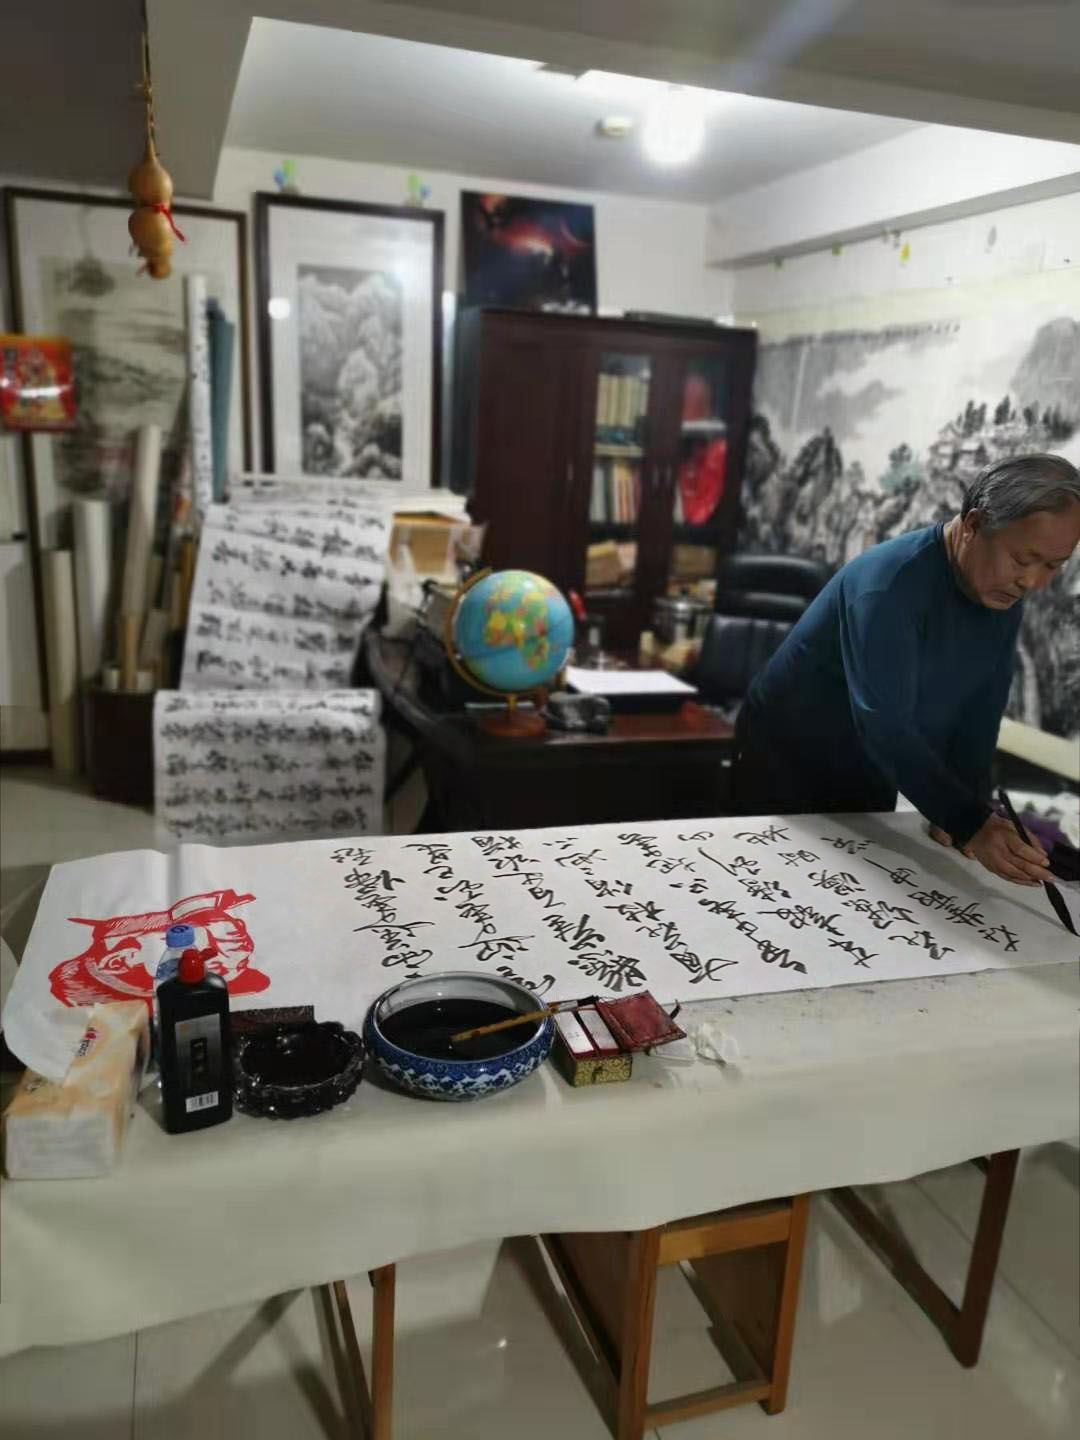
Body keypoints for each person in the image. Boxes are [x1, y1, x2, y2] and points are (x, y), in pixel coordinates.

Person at [733, 453, 1080, 887]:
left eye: (1053, 566)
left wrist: (970, 805)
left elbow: (981, 709)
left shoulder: (1001, 593)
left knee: (855, 891)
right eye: (1023, 559)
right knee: (773, 888)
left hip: (870, 766)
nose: (1032, 582)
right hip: (787, 758)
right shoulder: (889, 585)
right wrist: (968, 820)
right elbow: (884, 722)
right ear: (973, 525)